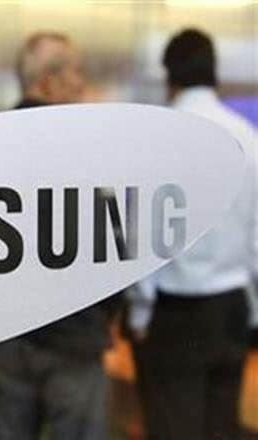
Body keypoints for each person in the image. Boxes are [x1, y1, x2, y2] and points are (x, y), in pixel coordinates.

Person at [127, 29, 256, 440]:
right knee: (221, 428)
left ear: (170, 75)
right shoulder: (248, 137)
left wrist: (140, 311)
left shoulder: (159, 139)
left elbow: (143, 236)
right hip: (232, 306)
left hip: (176, 311)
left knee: (173, 426)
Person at [0, 32, 118, 440]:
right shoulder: (84, 146)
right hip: (74, 338)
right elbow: (109, 236)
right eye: (75, 72)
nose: (81, 83)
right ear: (48, 81)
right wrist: (109, 313)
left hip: (8, 332)